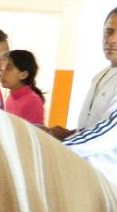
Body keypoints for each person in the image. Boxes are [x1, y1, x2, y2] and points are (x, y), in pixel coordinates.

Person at [48, 7, 117, 185]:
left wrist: (50, 148)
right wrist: (68, 134)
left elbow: (106, 134)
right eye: (108, 32)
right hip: (86, 176)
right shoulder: (102, 75)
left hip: (108, 185)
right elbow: (94, 127)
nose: (111, 39)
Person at [2, 49, 45, 125]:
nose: (2, 71)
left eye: (8, 68)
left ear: (23, 75)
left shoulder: (33, 101)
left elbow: (33, 134)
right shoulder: (10, 98)